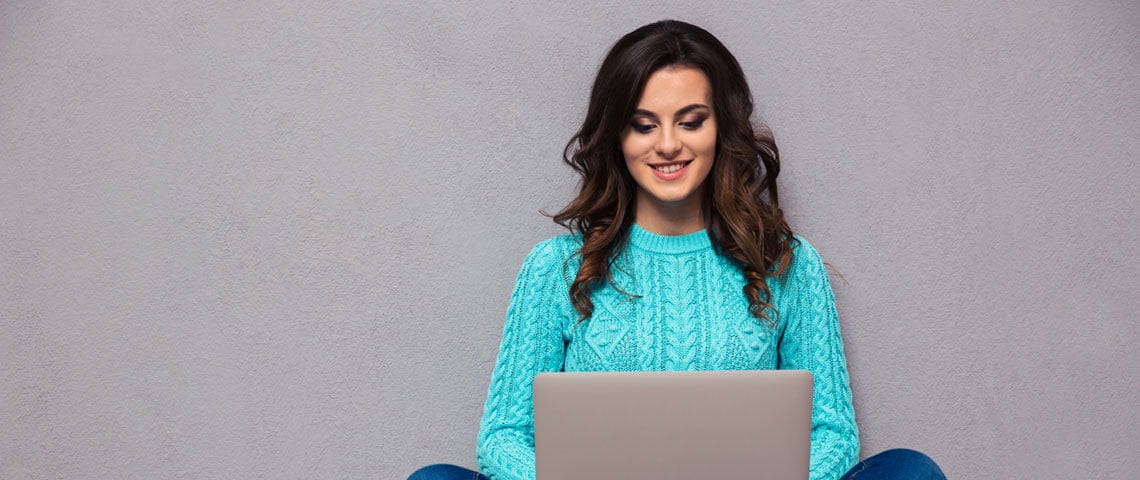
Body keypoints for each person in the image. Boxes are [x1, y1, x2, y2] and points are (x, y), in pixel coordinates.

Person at [409, 19, 947, 480]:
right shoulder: (555, 267)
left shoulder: (788, 261)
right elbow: (504, 435)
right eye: (644, 125)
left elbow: (831, 433)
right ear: (618, 138)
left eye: (691, 121)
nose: (668, 144)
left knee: (910, 470)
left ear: (723, 128)